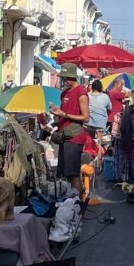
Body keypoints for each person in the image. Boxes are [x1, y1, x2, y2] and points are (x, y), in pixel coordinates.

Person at [50, 63, 90, 191]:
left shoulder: (81, 93)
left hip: (75, 137)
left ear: (72, 77)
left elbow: (86, 117)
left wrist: (65, 114)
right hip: (64, 135)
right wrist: (57, 112)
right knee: (64, 173)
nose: (63, 80)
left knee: (72, 174)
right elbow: (64, 113)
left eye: (65, 78)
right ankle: (71, 202)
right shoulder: (64, 93)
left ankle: (77, 203)